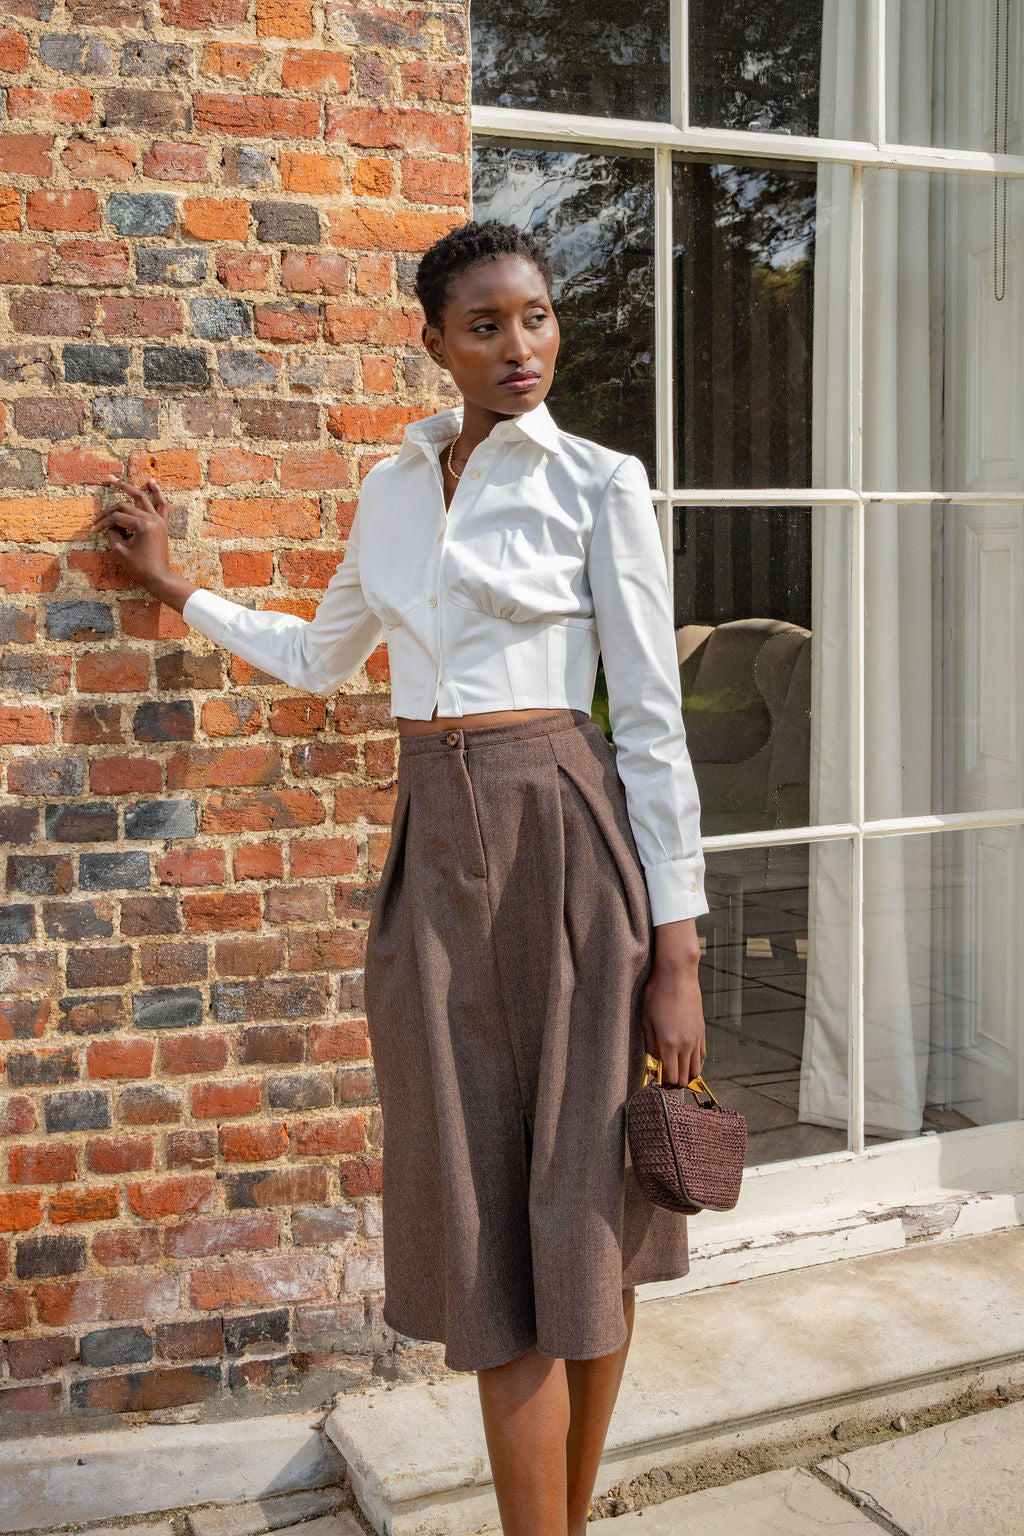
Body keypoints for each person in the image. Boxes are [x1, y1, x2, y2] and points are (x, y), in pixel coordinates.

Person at [91, 219, 708, 1536]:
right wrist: (175, 589)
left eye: (535, 317)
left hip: (568, 854)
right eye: (485, 325)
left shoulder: (601, 484)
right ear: (434, 342)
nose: (519, 345)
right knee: (482, 1214)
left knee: (583, 1206)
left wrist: (682, 955)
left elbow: (651, 727)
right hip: (434, 860)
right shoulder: (389, 492)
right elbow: (325, 658)